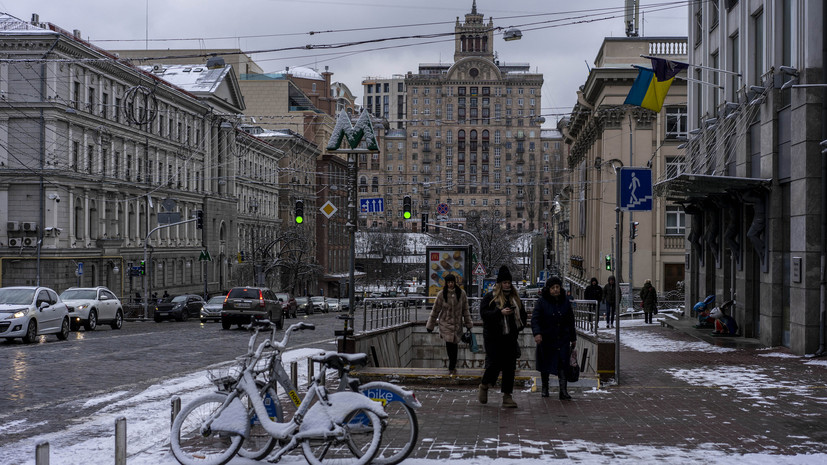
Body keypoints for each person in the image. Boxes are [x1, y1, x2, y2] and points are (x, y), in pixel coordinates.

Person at [478, 265, 527, 408]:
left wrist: (518, 324)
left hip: (510, 338)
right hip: (493, 338)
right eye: (505, 282)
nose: (507, 285)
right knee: (494, 365)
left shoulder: (514, 298)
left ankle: (507, 396)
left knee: (509, 367)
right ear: (499, 283)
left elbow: (522, 315)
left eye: (509, 282)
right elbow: (484, 315)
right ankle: (484, 385)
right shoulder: (490, 297)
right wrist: (500, 313)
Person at [531, 276, 577, 399]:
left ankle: (563, 390)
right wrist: (537, 333)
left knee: (563, 363)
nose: (555, 290)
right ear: (549, 289)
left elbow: (570, 320)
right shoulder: (542, 302)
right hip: (547, 338)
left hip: (562, 338)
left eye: (557, 287)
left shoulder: (565, 301)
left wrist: (573, 338)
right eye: (553, 288)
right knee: (546, 363)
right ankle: (545, 388)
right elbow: (535, 319)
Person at [426, 274, 473, 376]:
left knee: (454, 344)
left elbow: (465, 310)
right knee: (449, 344)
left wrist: (468, 324)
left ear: (455, 282)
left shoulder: (461, 293)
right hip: (445, 323)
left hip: (457, 324)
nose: (450, 284)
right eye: (448, 282)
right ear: (446, 283)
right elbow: (435, 311)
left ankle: (452, 364)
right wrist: (430, 326)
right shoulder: (441, 294)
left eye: (452, 282)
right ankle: (452, 365)